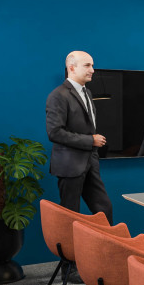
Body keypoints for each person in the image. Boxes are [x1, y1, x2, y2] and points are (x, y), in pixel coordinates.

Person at [45, 51, 113, 223]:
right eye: (87, 65)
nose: (93, 70)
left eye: (92, 65)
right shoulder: (58, 95)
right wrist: (91, 140)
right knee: (70, 216)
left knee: (104, 209)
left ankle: (105, 249)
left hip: (90, 163)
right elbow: (54, 132)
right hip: (69, 166)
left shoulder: (87, 93)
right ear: (72, 68)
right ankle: (71, 251)